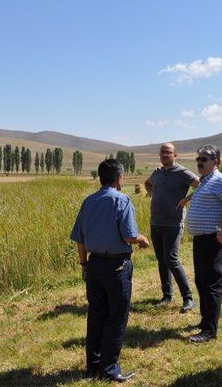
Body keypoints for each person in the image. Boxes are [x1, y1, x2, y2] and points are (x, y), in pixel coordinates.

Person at [70, 159, 150, 383]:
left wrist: (84, 265)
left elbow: (80, 239)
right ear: (119, 178)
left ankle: (92, 367)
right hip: (116, 267)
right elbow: (130, 236)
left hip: (94, 266)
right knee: (116, 317)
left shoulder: (88, 201)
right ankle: (110, 369)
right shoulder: (122, 200)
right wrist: (143, 240)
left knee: (96, 315)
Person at [184, 144, 222, 343]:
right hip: (202, 239)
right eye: (198, 160)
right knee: (201, 281)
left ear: (216, 162)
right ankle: (205, 321)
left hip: (216, 239)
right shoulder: (205, 181)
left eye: (204, 159)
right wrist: (187, 199)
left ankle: (210, 330)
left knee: (211, 283)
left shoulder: (221, 180)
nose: (200, 163)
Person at [144, 143, 199, 313]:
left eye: (168, 152)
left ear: (175, 155)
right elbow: (147, 183)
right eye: (162, 152)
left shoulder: (182, 172)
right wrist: (152, 192)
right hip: (156, 222)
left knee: (171, 259)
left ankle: (188, 298)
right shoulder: (158, 172)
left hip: (173, 223)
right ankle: (167, 295)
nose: (165, 155)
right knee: (162, 260)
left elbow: (202, 185)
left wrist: (186, 200)